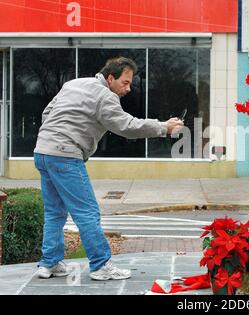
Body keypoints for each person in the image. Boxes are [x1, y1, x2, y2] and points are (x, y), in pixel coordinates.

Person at [33, 57, 184, 280]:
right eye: (125, 82)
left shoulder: (72, 84)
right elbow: (127, 126)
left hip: (43, 152)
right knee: (87, 213)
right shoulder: (106, 96)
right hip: (65, 156)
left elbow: (48, 113)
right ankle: (100, 265)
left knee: (54, 212)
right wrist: (163, 127)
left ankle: (49, 263)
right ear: (110, 78)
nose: (128, 88)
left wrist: (54, 135)